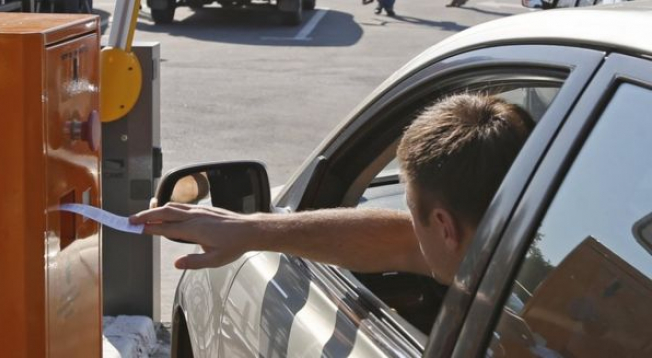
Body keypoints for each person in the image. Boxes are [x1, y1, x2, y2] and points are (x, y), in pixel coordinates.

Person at [131, 94, 534, 283]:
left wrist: (253, 231)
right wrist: (253, 230)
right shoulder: (539, 264)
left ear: (445, 227)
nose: (409, 225)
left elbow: (407, 244)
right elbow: (400, 242)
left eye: (413, 212)